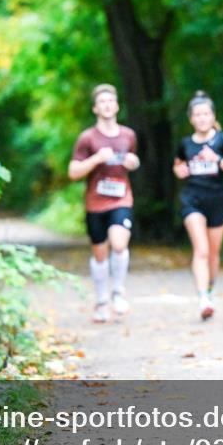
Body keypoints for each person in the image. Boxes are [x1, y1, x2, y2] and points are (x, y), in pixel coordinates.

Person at [68, 84, 141, 323]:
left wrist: (133, 162)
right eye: (102, 102)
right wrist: (97, 159)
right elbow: (73, 172)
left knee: (119, 244)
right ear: (95, 108)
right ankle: (101, 302)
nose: (107, 105)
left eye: (111, 101)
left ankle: (118, 292)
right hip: (95, 203)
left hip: (121, 198)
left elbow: (132, 159)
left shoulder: (128, 135)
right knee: (100, 255)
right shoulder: (87, 138)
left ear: (117, 106)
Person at [173, 91, 223, 320]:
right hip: (192, 199)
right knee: (201, 250)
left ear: (213, 116)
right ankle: (203, 297)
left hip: (217, 201)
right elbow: (178, 166)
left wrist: (217, 160)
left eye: (206, 114)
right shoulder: (185, 144)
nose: (202, 118)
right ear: (191, 119)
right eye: (197, 115)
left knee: (213, 254)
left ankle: (210, 291)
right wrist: (179, 171)